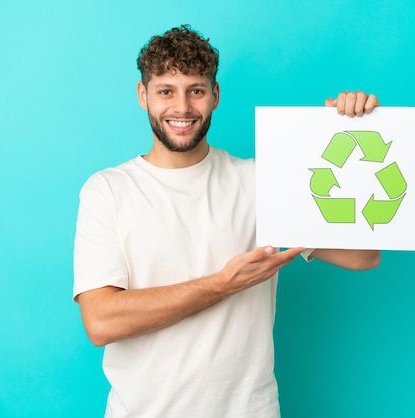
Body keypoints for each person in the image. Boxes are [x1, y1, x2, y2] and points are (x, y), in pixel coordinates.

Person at [73, 24, 381, 418]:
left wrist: (352, 131)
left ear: (215, 96)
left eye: (196, 90)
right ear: (142, 96)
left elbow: (363, 257)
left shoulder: (260, 181)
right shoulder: (108, 191)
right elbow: (100, 320)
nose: (181, 108)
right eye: (166, 91)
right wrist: (222, 285)